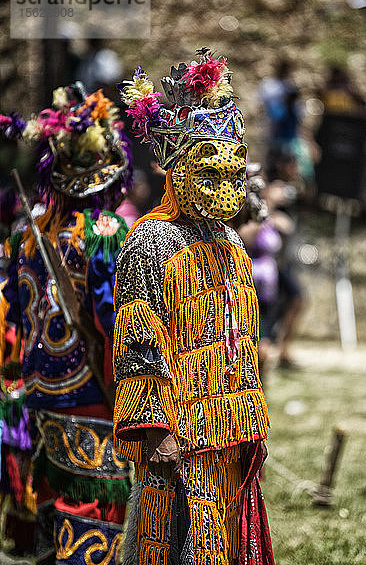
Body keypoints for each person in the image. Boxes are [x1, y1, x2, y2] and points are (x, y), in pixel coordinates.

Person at [113, 52, 275, 565]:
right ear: (177, 170)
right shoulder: (150, 241)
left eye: (231, 175)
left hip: (231, 426)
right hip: (179, 433)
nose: (223, 188)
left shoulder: (229, 238)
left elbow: (239, 334)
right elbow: (136, 346)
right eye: (209, 173)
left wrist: (250, 414)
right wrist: (155, 432)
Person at [0, 83, 133, 564]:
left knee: (59, 504)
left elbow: (13, 317)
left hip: (42, 391)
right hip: (93, 394)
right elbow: (111, 319)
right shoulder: (108, 234)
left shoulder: (24, 238)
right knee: (96, 508)